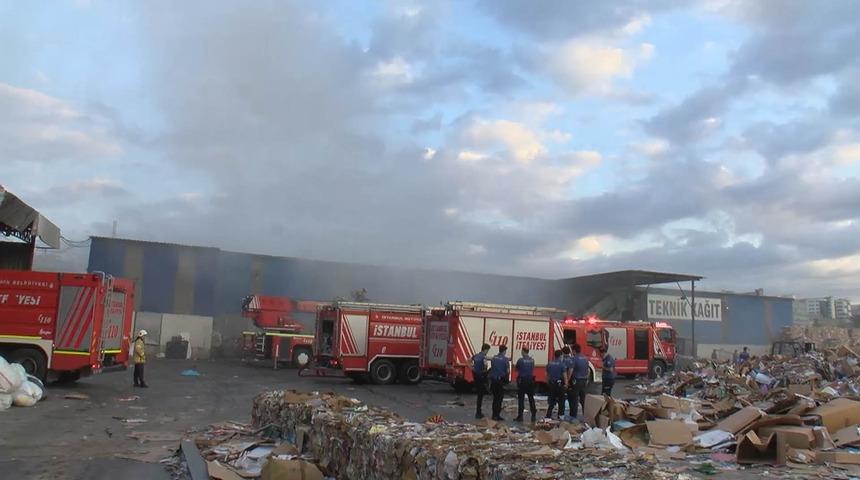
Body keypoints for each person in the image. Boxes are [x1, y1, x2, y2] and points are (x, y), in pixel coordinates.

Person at [514, 347, 537, 422]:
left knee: (521, 399)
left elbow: (516, 369)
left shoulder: (520, 360)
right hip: (530, 381)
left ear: (523, 352)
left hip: (522, 381)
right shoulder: (532, 360)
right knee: (531, 398)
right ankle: (533, 415)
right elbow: (532, 368)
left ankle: (520, 416)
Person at [489, 345, 510, 421]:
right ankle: (497, 415)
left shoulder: (494, 358)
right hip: (500, 381)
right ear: (504, 351)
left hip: (493, 380)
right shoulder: (505, 360)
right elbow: (507, 371)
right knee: (499, 398)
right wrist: (507, 381)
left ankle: (493, 414)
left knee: (495, 398)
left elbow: (492, 368)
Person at [570, 344, 590, 418]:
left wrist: (568, 379)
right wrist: (587, 379)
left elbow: (571, 370)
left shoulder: (574, 359)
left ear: (574, 350)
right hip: (584, 380)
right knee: (583, 398)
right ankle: (585, 414)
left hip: (576, 380)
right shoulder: (585, 358)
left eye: (572, 350)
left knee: (574, 398)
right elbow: (588, 370)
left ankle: (573, 415)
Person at [545, 350, 565, 419]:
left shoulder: (550, 363)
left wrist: (548, 382)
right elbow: (564, 376)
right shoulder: (562, 364)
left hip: (552, 384)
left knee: (551, 402)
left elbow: (546, 375)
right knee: (561, 401)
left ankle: (548, 416)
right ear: (560, 356)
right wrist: (566, 384)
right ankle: (560, 416)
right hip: (559, 385)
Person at [472, 343, 491, 419]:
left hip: (476, 376)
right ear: (485, 349)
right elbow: (485, 367)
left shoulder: (476, 356)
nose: (487, 352)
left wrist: (472, 368)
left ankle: (478, 411)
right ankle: (478, 412)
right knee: (480, 395)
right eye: (488, 350)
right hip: (481, 377)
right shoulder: (484, 357)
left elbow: (468, 360)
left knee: (479, 394)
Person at [561, 346, 575, 420]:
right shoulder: (572, 359)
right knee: (572, 398)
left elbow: (568, 371)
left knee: (563, 398)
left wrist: (567, 381)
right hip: (572, 381)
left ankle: (562, 414)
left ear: (563, 352)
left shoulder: (563, 360)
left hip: (565, 380)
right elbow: (571, 370)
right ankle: (572, 414)